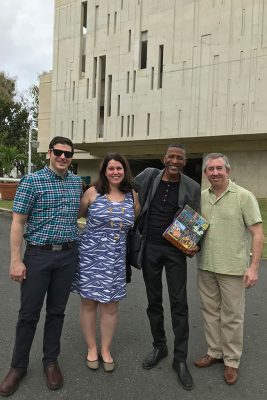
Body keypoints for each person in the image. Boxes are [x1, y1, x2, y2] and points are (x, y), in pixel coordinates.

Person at [0, 136, 83, 397]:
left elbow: (79, 213)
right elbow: (17, 222)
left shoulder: (76, 183)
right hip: (38, 256)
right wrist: (16, 260)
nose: (62, 157)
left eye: (67, 154)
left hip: (68, 256)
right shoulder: (31, 181)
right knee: (28, 314)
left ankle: (50, 361)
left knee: (57, 313)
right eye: (58, 152)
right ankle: (18, 366)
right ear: (49, 153)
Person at [134, 144, 200, 391]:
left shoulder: (192, 187)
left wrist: (193, 245)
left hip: (175, 251)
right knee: (153, 300)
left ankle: (180, 359)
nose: (175, 160)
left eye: (180, 157)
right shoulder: (149, 175)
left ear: (185, 161)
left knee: (179, 303)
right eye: (171, 156)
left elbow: (194, 219)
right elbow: (130, 190)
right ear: (164, 159)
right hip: (149, 247)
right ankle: (159, 345)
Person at [195, 153, 264, 385]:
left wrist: (253, 267)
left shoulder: (244, 196)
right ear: (205, 174)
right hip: (206, 265)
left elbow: (257, 233)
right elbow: (193, 228)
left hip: (233, 268)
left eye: (219, 168)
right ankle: (214, 352)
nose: (215, 173)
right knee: (210, 312)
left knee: (232, 317)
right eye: (210, 169)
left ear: (228, 171)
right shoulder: (201, 197)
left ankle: (232, 361)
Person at [72, 153, 139, 373]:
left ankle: (106, 349)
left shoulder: (132, 195)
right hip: (90, 256)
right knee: (89, 303)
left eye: (119, 168)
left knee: (110, 306)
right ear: (105, 171)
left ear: (124, 170)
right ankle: (92, 348)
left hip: (116, 260)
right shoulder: (92, 192)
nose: (115, 172)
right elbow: (77, 215)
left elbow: (134, 222)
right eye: (111, 168)